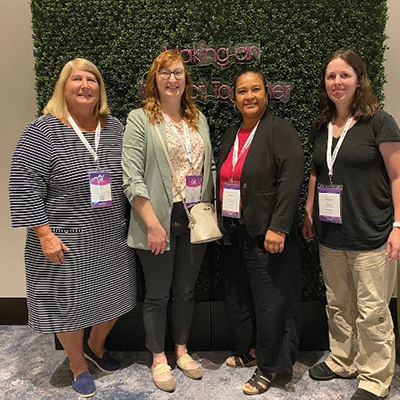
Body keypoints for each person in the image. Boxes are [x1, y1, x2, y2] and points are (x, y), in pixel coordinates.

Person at [9, 58, 137, 398]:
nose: (85, 86)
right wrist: (44, 234)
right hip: (64, 236)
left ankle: (96, 346)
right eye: (76, 79)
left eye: (91, 79)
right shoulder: (43, 130)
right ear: (63, 88)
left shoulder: (114, 127)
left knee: (117, 294)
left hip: (110, 234)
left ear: (100, 88)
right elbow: (24, 183)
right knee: (68, 305)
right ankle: (78, 364)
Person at [302, 49, 400, 400]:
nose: (337, 82)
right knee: (338, 302)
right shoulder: (322, 125)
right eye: (331, 76)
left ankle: (375, 377)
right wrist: (309, 212)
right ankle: (343, 359)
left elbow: (397, 175)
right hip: (331, 233)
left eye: (344, 75)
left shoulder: (380, 122)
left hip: (371, 232)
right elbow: (317, 171)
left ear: (359, 80)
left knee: (372, 310)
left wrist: (399, 226)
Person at [121, 50, 213, 392]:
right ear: (154, 79)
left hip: (193, 218)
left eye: (177, 72)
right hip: (157, 219)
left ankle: (182, 350)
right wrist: (152, 223)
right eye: (164, 73)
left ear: (186, 78)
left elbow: (208, 168)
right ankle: (159, 358)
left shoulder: (197, 118)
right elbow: (131, 177)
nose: (172, 79)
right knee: (158, 294)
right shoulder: (140, 119)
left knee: (186, 291)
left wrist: (210, 211)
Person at [216, 66, 304, 395]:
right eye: (242, 91)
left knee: (271, 302)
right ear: (234, 98)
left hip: (267, 232)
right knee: (239, 296)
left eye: (255, 90)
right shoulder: (232, 132)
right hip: (236, 229)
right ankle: (251, 351)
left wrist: (279, 227)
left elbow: (291, 180)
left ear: (267, 93)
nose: (249, 96)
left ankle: (271, 366)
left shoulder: (279, 130)